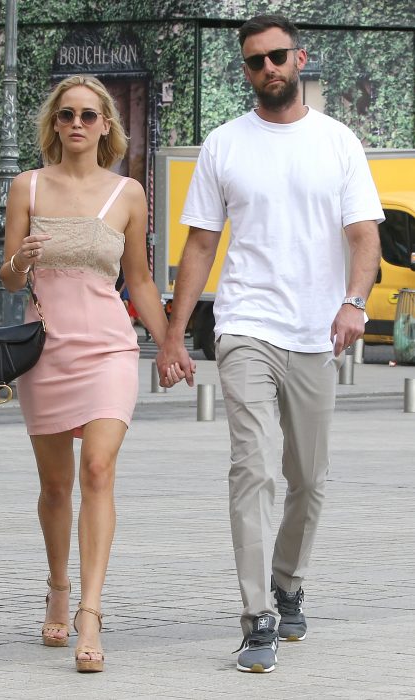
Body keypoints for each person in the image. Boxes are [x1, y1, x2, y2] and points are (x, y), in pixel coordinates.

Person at [157, 14, 384, 674]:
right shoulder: (224, 145)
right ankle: (257, 613)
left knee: (309, 480)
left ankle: (287, 583)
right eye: (255, 62)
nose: (268, 70)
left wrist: (352, 302)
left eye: (277, 57)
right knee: (253, 467)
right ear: (246, 69)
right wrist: (174, 333)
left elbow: (364, 235)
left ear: (299, 57)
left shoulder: (339, 142)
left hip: (316, 330)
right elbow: (200, 243)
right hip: (246, 326)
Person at [0, 75, 184, 674]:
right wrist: (17, 261)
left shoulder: (129, 193)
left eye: (88, 115)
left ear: (106, 125)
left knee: (98, 470)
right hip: (46, 350)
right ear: (54, 123)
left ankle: (90, 613)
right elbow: (4, 278)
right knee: (56, 488)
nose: (76, 124)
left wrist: (170, 342)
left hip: (108, 346)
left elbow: (140, 279)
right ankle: (57, 586)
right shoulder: (25, 186)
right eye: (66, 115)